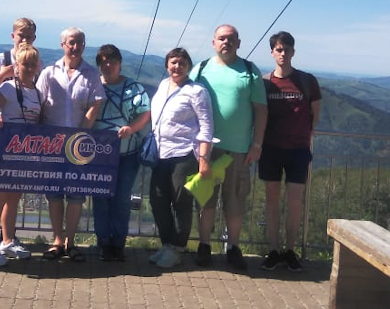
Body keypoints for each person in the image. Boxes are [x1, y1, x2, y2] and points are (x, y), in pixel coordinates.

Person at [191, 24, 267, 270]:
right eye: (222, 38)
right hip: (206, 149)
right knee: (206, 200)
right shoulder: (201, 69)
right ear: (213, 42)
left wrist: (257, 144)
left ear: (238, 43)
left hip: (239, 149)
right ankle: (204, 246)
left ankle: (233, 247)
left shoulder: (250, 71)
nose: (226, 42)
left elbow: (261, 110)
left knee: (235, 201)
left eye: (231, 39)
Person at [36, 27, 106, 262]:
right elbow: (39, 104)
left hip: (79, 146)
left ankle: (71, 242)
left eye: (80, 43)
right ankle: (57, 241)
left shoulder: (92, 75)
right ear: (62, 44)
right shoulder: (48, 73)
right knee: (54, 195)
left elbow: (95, 106)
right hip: (52, 144)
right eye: (71, 42)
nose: (76, 47)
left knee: (76, 196)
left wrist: (80, 135)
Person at [259, 31, 322, 272]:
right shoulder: (265, 83)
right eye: (278, 49)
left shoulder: (307, 81)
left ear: (293, 51)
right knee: (272, 201)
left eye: (286, 49)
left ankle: (290, 250)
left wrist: (305, 136)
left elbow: (315, 114)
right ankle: (274, 250)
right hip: (270, 148)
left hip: (298, 150)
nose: (283, 53)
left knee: (294, 202)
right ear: (272, 52)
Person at [148, 47, 213, 269]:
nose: (177, 66)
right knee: (157, 200)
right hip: (160, 153)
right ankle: (167, 244)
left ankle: (177, 248)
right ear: (167, 65)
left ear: (188, 66)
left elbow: (206, 127)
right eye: (173, 62)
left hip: (184, 154)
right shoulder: (162, 85)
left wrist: (203, 159)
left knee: (181, 202)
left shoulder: (197, 91)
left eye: (182, 63)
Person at [0, 17, 38, 260]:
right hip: (0, 140)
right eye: (21, 35)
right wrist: (3, 76)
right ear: (13, 35)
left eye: (29, 36)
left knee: (14, 195)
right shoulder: (0, 61)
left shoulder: (34, 82)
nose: (24, 39)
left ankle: (7, 239)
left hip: (23, 147)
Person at [93, 44, 151, 262]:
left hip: (127, 153)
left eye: (112, 61)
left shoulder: (133, 87)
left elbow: (145, 113)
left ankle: (117, 243)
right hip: (98, 153)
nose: (108, 65)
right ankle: (103, 242)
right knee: (100, 199)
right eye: (103, 62)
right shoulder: (92, 84)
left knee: (121, 199)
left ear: (119, 63)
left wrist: (131, 129)